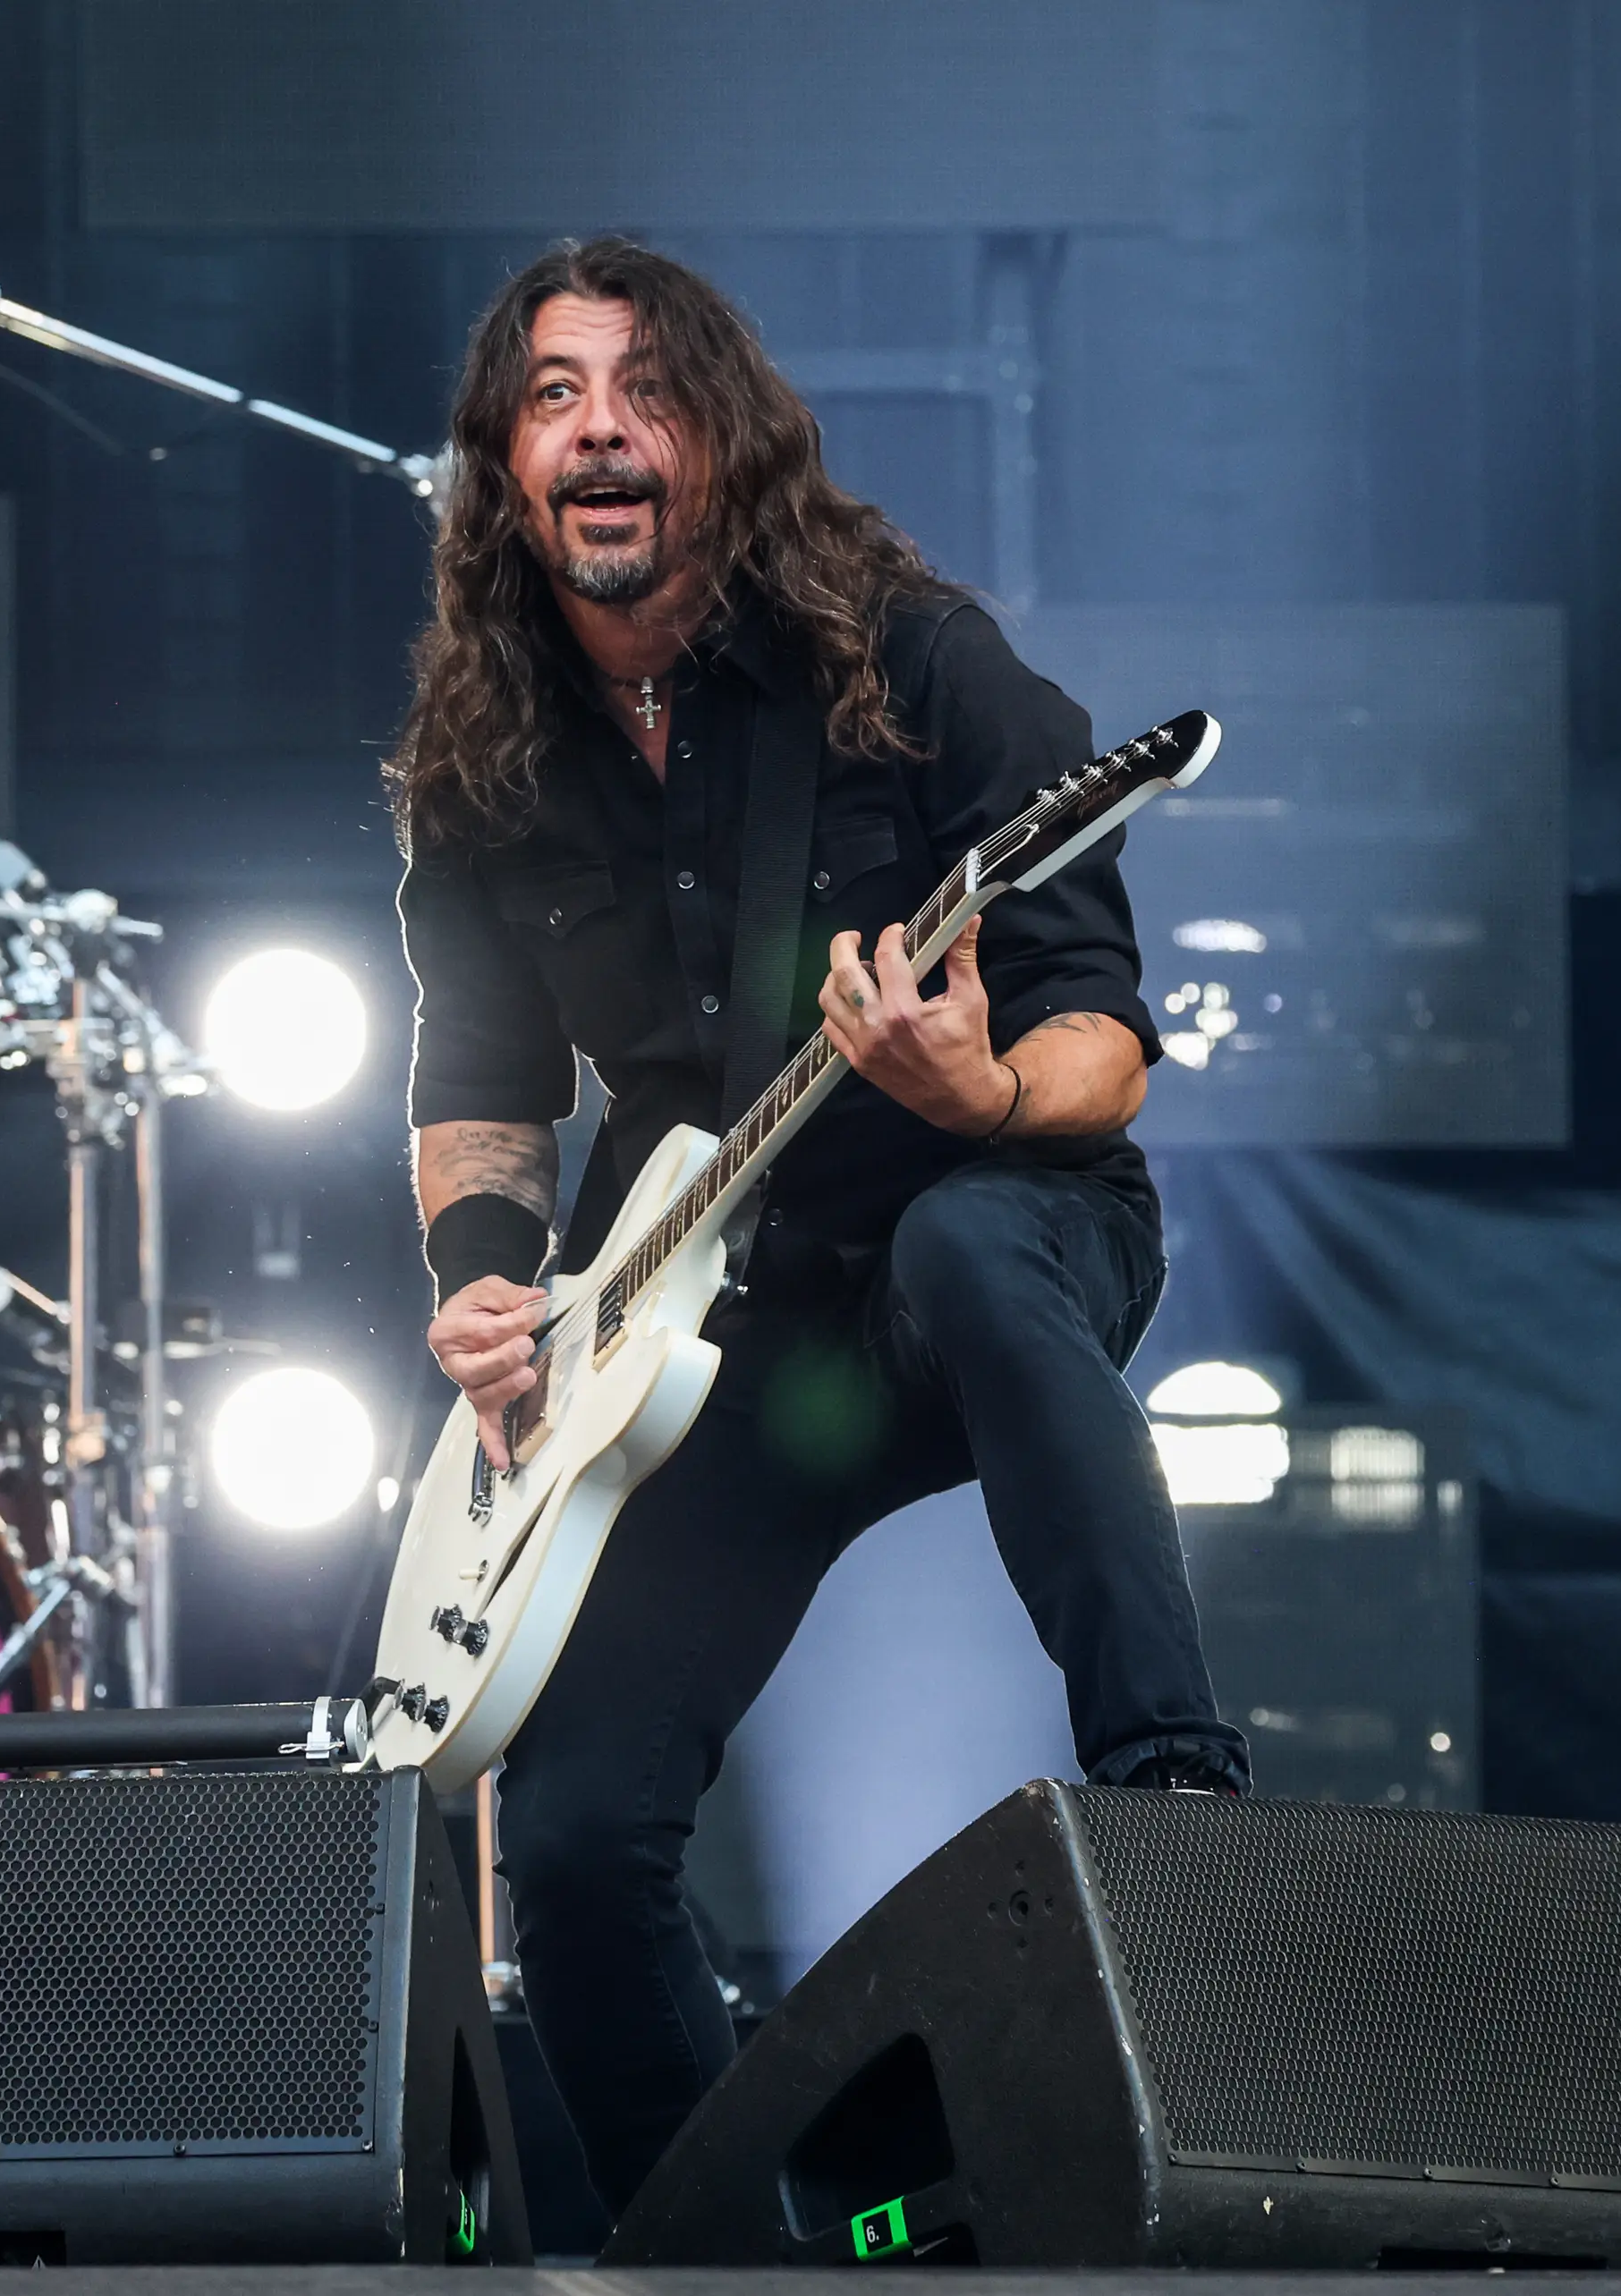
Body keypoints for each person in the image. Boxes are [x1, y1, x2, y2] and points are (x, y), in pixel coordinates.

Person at [392, 239, 1249, 2222]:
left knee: (968, 1248)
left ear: (723, 443)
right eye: (550, 395)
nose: (598, 426)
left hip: (997, 1231)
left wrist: (979, 1091)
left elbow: (1104, 1045)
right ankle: (723, 2249)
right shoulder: (484, 763)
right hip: (710, 1335)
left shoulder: (918, 659)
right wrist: (480, 1280)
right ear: (504, 469)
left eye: (645, 391)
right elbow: (482, 1081)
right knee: (584, 1829)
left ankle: (1178, 1806)